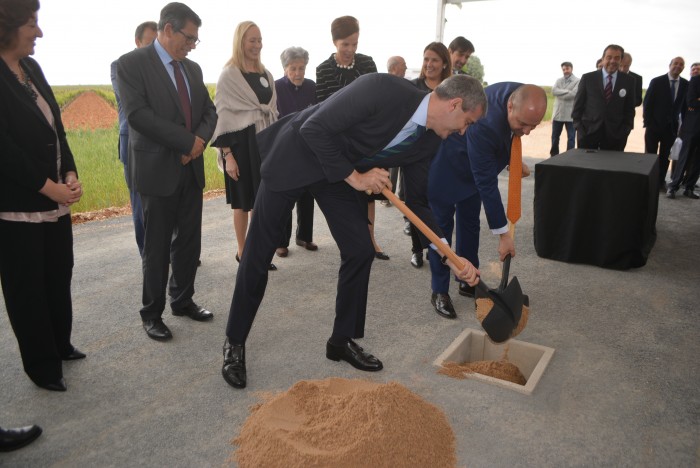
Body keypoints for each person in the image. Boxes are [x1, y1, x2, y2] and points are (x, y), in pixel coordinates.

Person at [220, 73, 487, 389]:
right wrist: (357, 178)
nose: (463, 131)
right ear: (455, 104)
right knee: (258, 252)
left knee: (361, 248)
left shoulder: (428, 139)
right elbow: (313, 128)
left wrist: (446, 249)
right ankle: (234, 342)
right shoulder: (382, 89)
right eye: (467, 121)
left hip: (336, 173)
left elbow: (418, 200)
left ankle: (341, 340)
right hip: (297, 155)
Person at [117, 2, 217, 341]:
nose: (192, 45)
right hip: (157, 170)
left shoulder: (192, 69)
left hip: (191, 168)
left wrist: (199, 141)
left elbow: (209, 111)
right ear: (169, 29)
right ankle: (151, 313)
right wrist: (186, 143)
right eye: (189, 38)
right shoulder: (130, 65)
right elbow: (138, 116)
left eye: (195, 41)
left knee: (189, 241)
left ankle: (183, 299)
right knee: (157, 246)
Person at [0, 0, 84, 391]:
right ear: (9, 25)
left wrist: (69, 173)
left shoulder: (31, 69)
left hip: (55, 202)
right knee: (26, 289)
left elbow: (58, 131)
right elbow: (5, 151)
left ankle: (61, 345)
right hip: (17, 209)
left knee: (57, 275)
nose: (40, 32)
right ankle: (42, 366)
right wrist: (48, 187)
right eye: (33, 24)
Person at [426, 83, 546, 319]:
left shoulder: (521, 94)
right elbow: (487, 182)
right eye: (523, 124)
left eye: (533, 125)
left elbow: (505, 140)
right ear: (510, 106)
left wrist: (513, 157)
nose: (527, 131)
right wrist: (504, 235)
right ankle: (439, 291)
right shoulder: (486, 123)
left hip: (477, 169)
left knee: (470, 225)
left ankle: (466, 279)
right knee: (441, 231)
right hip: (448, 167)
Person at [315, 15, 388, 260]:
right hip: (339, 143)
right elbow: (323, 107)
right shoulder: (323, 69)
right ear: (334, 42)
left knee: (369, 193)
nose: (350, 50)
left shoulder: (367, 64)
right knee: (346, 192)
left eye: (354, 44)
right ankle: (351, 242)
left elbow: (378, 100)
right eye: (345, 44)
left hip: (367, 141)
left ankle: (371, 239)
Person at [211, 21, 278, 269]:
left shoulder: (266, 74)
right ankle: (243, 253)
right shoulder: (229, 75)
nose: (257, 45)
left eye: (260, 40)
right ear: (241, 42)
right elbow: (222, 116)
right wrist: (227, 155)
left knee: (260, 203)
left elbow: (273, 112)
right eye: (252, 40)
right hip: (239, 147)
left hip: (263, 144)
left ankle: (256, 251)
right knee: (242, 202)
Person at [110, 21, 157, 258]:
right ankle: (147, 254)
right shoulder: (121, 66)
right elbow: (135, 104)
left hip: (161, 143)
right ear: (137, 42)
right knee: (140, 203)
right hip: (133, 144)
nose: (153, 50)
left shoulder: (165, 68)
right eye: (149, 43)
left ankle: (170, 250)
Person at [407, 41, 451, 268]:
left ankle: (438, 247)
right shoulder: (413, 86)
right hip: (415, 154)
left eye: (434, 59)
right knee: (416, 202)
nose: (429, 64)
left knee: (436, 203)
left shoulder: (450, 89)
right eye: (426, 59)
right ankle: (416, 248)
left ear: (444, 63)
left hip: (443, 154)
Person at [274, 46, 317, 258]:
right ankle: (281, 242)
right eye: (293, 68)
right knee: (286, 197)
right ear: (285, 69)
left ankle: (304, 236)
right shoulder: (276, 88)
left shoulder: (311, 86)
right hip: (285, 148)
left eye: (301, 68)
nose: (298, 73)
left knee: (307, 194)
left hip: (308, 148)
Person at [572, 44, 635, 151]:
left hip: (616, 136)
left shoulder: (629, 81)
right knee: (586, 166)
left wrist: (625, 131)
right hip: (588, 133)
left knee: (611, 167)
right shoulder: (588, 78)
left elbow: (629, 109)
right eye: (609, 57)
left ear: (621, 60)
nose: (612, 61)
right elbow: (578, 105)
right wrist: (579, 127)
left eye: (617, 58)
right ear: (603, 59)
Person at [642, 57, 688, 189]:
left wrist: (682, 126)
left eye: (681, 65)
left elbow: (684, 107)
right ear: (670, 65)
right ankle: (648, 181)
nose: (678, 66)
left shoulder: (685, 84)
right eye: (675, 63)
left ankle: (660, 181)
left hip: (671, 128)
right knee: (650, 155)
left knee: (664, 156)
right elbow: (648, 103)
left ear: (683, 68)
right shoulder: (657, 81)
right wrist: (648, 122)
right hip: (654, 126)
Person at [667, 73, 700, 199]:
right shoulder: (696, 80)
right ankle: (673, 187)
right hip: (693, 127)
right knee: (685, 157)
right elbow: (691, 102)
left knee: (698, 161)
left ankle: (689, 187)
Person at [550, 61, 579, 156]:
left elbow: (574, 94)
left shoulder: (577, 81)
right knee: (555, 137)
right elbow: (553, 91)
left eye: (567, 69)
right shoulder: (559, 80)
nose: (565, 71)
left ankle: (569, 156)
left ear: (571, 69)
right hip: (558, 114)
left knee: (571, 137)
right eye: (563, 69)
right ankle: (554, 155)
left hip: (570, 115)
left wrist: (561, 93)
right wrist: (567, 91)